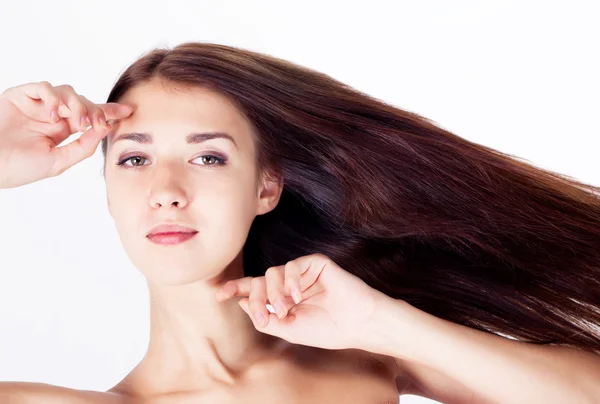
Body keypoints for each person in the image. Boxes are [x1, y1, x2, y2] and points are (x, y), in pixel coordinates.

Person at [1, 41, 599, 403]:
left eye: (208, 157)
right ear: (106, 189)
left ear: (267, 186)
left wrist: (381, 323)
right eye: (134, 159)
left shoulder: (363, 361)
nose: (167, 192)